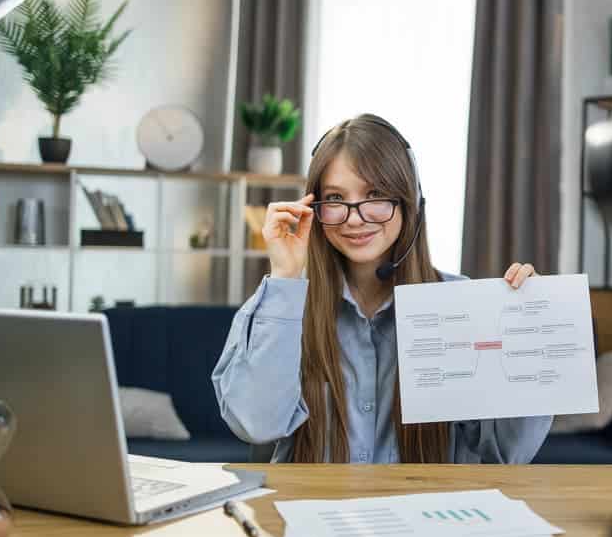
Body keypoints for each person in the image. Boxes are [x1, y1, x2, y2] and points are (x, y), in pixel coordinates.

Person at [212, 113, 553, 463]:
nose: (356, 217)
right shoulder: (278, 305)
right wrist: (285, 275)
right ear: (314, 208)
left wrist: (529, 331)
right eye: (335, 198)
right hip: (307, 512)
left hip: (426, 514)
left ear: (411, 204)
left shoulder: (458, 303)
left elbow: (507, 452)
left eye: (375, 194)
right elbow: (256, 424)